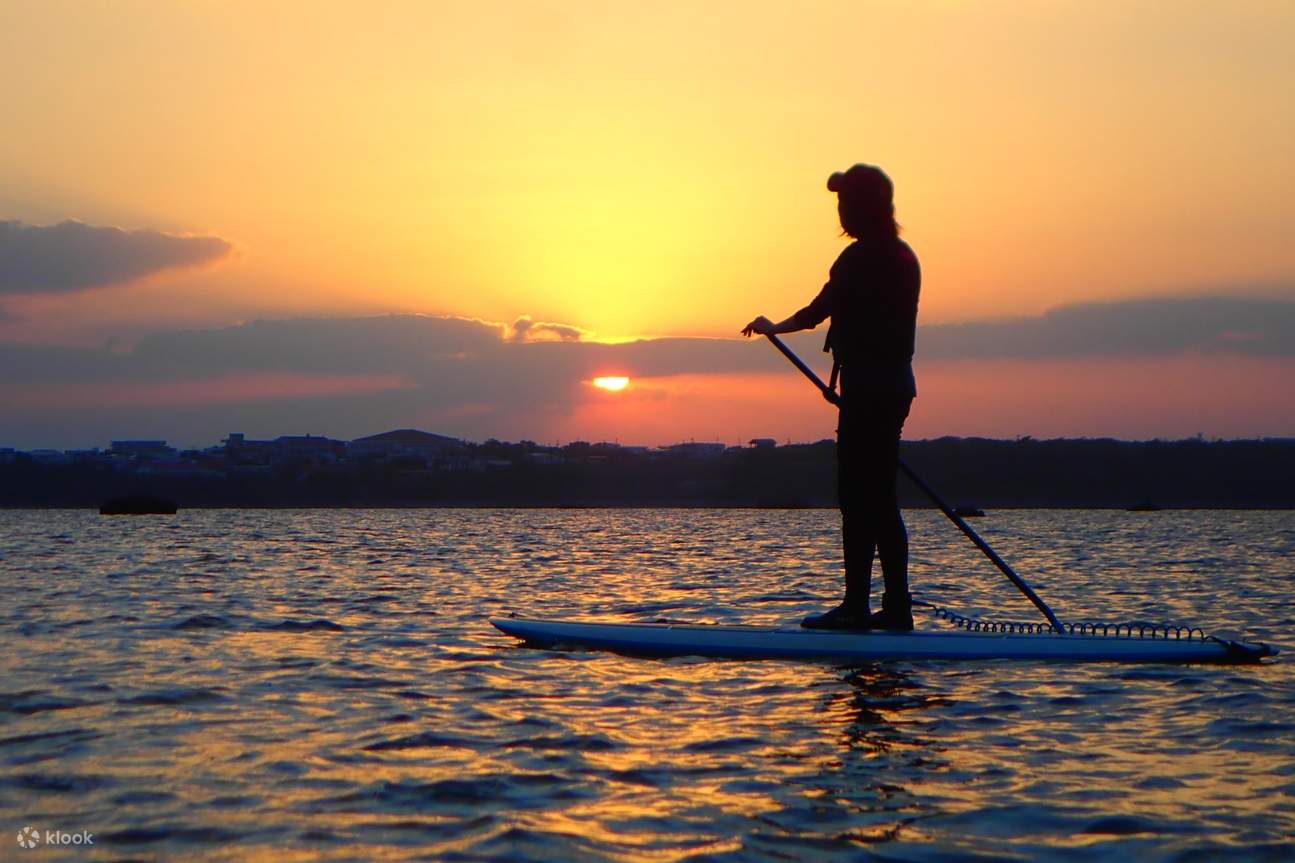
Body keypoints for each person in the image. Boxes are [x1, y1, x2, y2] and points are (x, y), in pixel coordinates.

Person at [742, 164, 920, 631]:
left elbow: (818, 311)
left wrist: (773, 327)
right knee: (880, 499)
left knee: (860, 500)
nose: (840, 211)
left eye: (846, 202)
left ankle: (858, 608)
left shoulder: (858, 260)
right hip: (893, 388)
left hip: (870, 392)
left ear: (864, 207)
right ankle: (895, 608)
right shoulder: (904, 257)